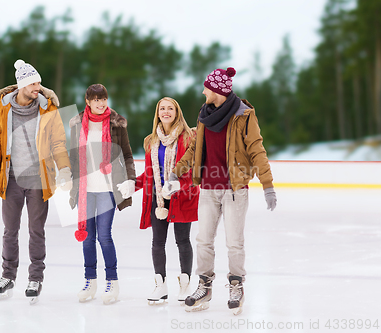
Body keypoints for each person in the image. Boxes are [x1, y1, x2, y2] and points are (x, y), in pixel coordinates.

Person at [163, 67, 277, 314]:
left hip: (234, 189)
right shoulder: (205, 115)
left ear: (216, 90)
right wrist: (178, 170)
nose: (203, 90)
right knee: (203, 240)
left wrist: (268, 186)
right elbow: (195, 148)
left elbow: (257, 150)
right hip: (208, 188)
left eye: (206, 87)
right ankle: (204, 285)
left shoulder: (244, 116)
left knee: (234, 242)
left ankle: (236, 285)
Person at [0, 59, 72, 304]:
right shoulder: (1, 109)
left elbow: (57, 143)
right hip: (11, 179)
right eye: (33, 83)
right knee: (10, 231)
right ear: (22, 85)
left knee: (36, 231)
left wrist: (64, 168)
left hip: (38, 179)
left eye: (39, 83)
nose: (38, 87)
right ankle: (7, 276)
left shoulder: (48, 109)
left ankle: (35, 278)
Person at [68, 84, 136, 304]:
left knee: (104, 236)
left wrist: (130, 180)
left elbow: (127, 155)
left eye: (103, 98)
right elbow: (73, 157)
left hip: (107, 188)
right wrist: (66, 177)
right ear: (87, 101)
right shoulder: (77, 124)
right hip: (85, 190)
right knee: (87, 239)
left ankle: (112, 282)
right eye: (96, 99)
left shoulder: (117, 123)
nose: (100, 103)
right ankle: (90, 281)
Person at [134, 97, 199, 305]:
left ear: (177, 112)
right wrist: (132, 184)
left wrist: (180, 184)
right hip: (158, 197)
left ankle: (185, 283)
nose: (166, 111)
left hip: (181, 196)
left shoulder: (189, 137)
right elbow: (150, 173)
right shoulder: (151, 140)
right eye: (162, 108)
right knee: (157, 242)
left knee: (182, 240)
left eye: (170, 108)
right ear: (158, 113)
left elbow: (196, 170)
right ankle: (160, 285)